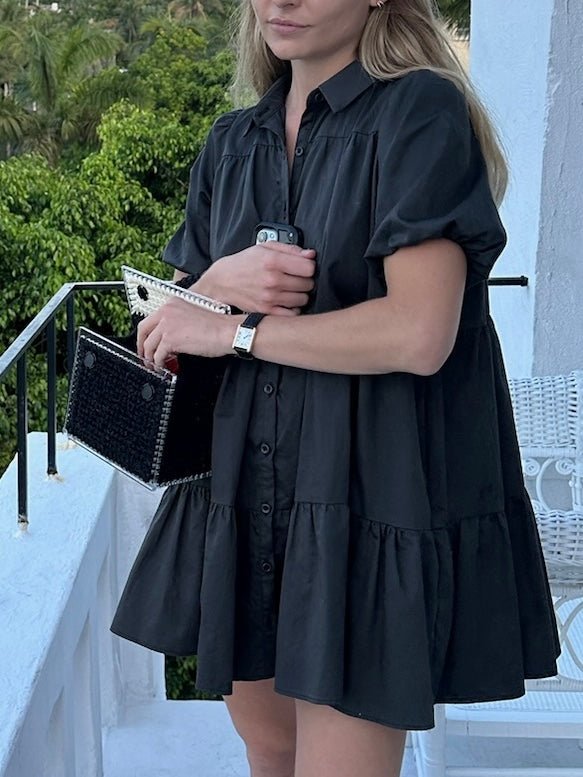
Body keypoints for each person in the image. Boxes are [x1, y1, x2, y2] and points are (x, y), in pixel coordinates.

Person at [110, 1, 561, 776]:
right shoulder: (231, 143)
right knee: (270, 749)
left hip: (366, 502)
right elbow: (174, 323)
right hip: (247, 498)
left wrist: (235, 329)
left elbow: (420, 335)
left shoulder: (418, 112)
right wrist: (218, 283)